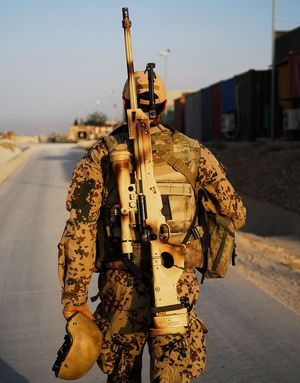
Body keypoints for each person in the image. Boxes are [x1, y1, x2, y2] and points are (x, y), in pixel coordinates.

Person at [57, 71, 246, 382]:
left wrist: (74, 298)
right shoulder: (194, 152)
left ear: (123, 104)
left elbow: (80, 229)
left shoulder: (102, 154)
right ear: (164, 105)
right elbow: (234, 211)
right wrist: (192, 248)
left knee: (121, 376)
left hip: (120, 289)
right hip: (176, 283)